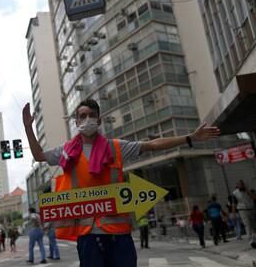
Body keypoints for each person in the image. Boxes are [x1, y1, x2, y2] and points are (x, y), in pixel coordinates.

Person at [22, 99, 220, 267]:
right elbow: (39, 155)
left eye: (91, 115)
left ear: (98, 120)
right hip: (88, 236)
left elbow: (152, 145)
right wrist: (29, 128)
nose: (86, 119)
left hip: (119, 235)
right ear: (76, 122)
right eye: (82, 116)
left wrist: (189, 138)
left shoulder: (116, 147)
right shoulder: (66, 152)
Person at [232, 180, 256, 248]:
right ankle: (251, 241)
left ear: (243, 185)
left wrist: (248, 191)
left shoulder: (250, 190)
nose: (239, 187)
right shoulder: (235, 193)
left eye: (241, 185)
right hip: (242, 210)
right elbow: (233, 204)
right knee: (247, 225)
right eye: (238, 185)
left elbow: (254, 198)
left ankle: (254, 240)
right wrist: (234, 214)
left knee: (254, 226)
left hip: (251, 209)